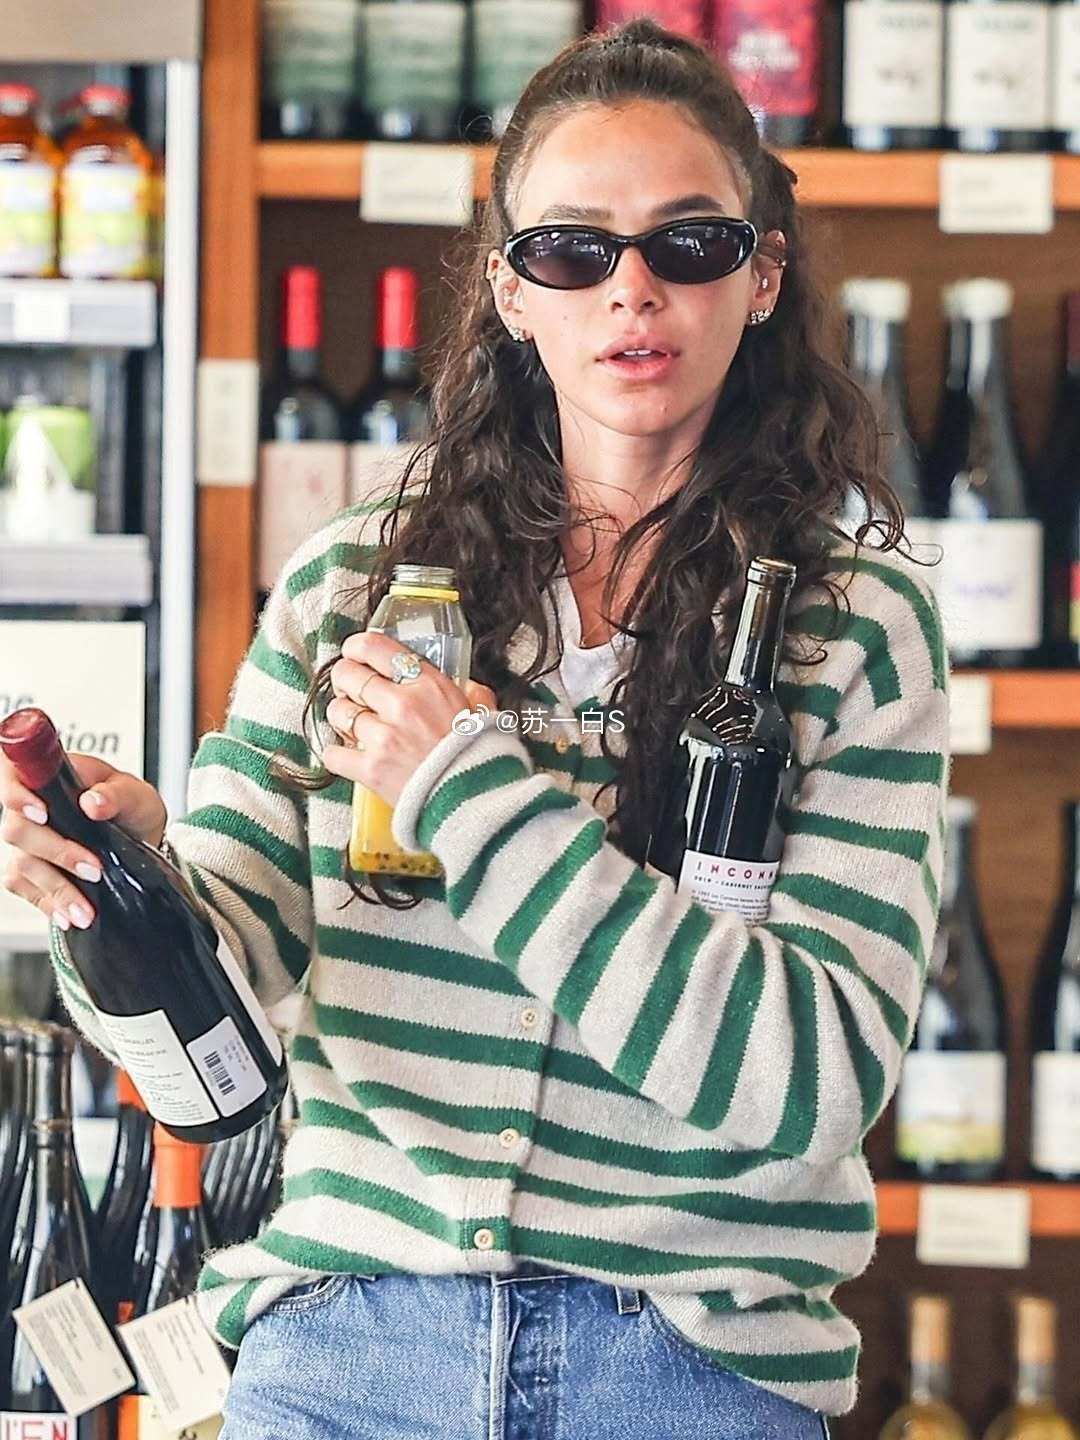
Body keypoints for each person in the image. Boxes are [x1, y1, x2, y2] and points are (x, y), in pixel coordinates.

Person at [0, 18, 949, 1439]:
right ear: (510, 289)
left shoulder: (848, 624)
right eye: (572, 250)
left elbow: (807, 1078)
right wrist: (113, 889)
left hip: (684, 1367)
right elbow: (212, 1060)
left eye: (688, 244)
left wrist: (472, 798)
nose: (632, 290)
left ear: (761, 276)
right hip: (350, 1347)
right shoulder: (351, 586)